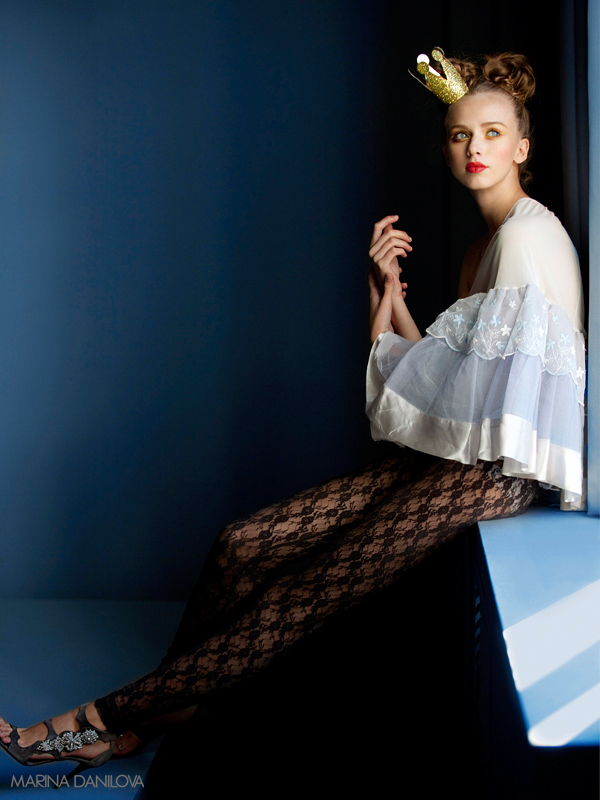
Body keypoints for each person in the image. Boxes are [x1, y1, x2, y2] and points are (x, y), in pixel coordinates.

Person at [0, 47, 586, 775]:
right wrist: (386, 294)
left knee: (304, 592)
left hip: (494, 473)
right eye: (461, 134)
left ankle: (96, 721)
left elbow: (486, 407)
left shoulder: (526, 237)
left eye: (493, 134)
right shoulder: (484, 247)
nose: (476, 148)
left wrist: (386, 323)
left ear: (522, 147)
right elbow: (455, 380)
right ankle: (167, 704)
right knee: (241, 545)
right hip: (463, 453)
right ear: (445, 147)